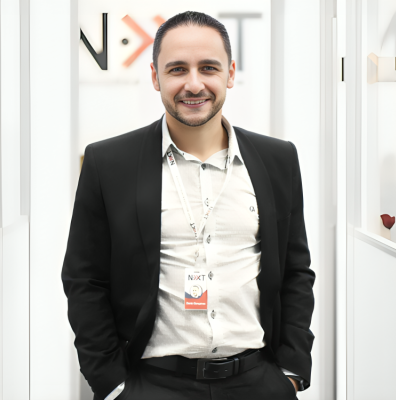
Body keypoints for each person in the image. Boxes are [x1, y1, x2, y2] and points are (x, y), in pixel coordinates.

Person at [61, 11, 315, 400]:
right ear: (155, 76)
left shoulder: (277, 159)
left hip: (257, 381)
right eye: (177, 69)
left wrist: (291, 371)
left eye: (208, 68)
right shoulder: (108, 163)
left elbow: (296, 271)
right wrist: (113, 385)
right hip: (151, 384)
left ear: (230, 73)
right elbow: (85, 279)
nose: (193, 84)